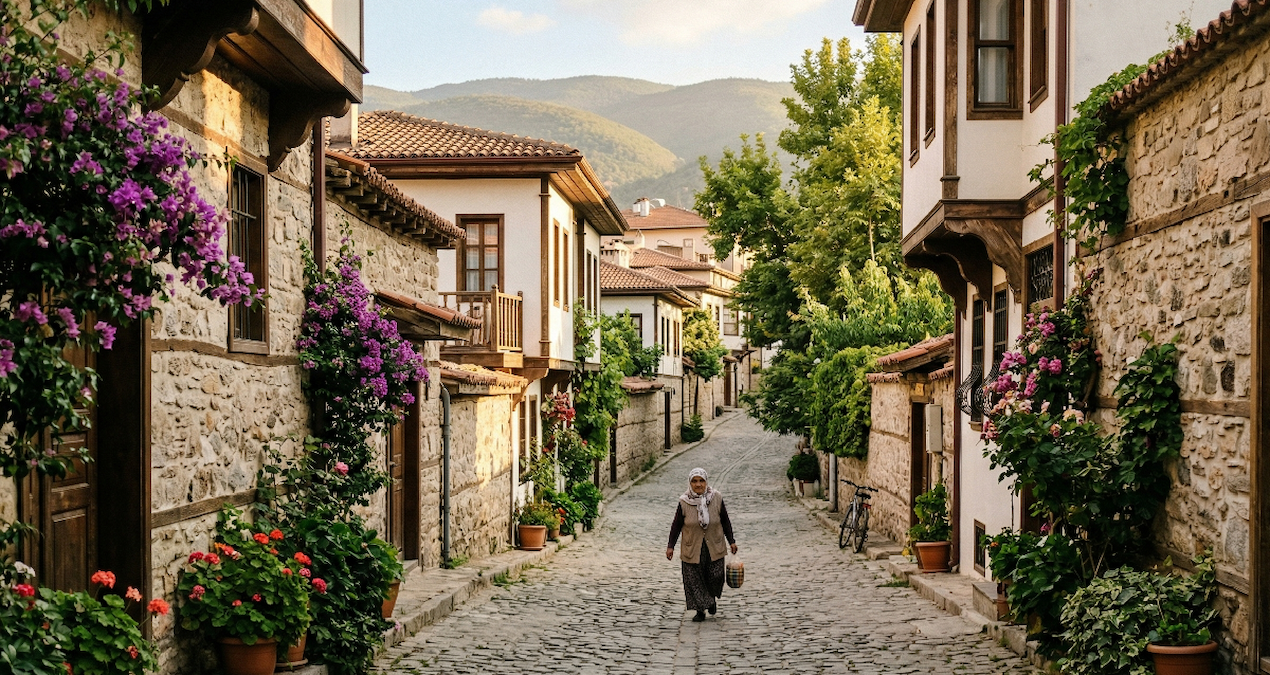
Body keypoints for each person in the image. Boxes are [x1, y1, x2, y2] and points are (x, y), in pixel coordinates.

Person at [665, 467, 737, 622]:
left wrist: (731, 541)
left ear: (706, 482)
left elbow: (724, 520)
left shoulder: (716, 497)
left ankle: (710, 599)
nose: (698, 485)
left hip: (714, 545)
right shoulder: (684, 501)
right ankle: (700, 609)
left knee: (716, 576)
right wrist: (670, 545)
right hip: (692, 547)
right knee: (694, 579)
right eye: (694, 481)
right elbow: (676, 525)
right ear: (690, 483)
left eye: (701, 481)